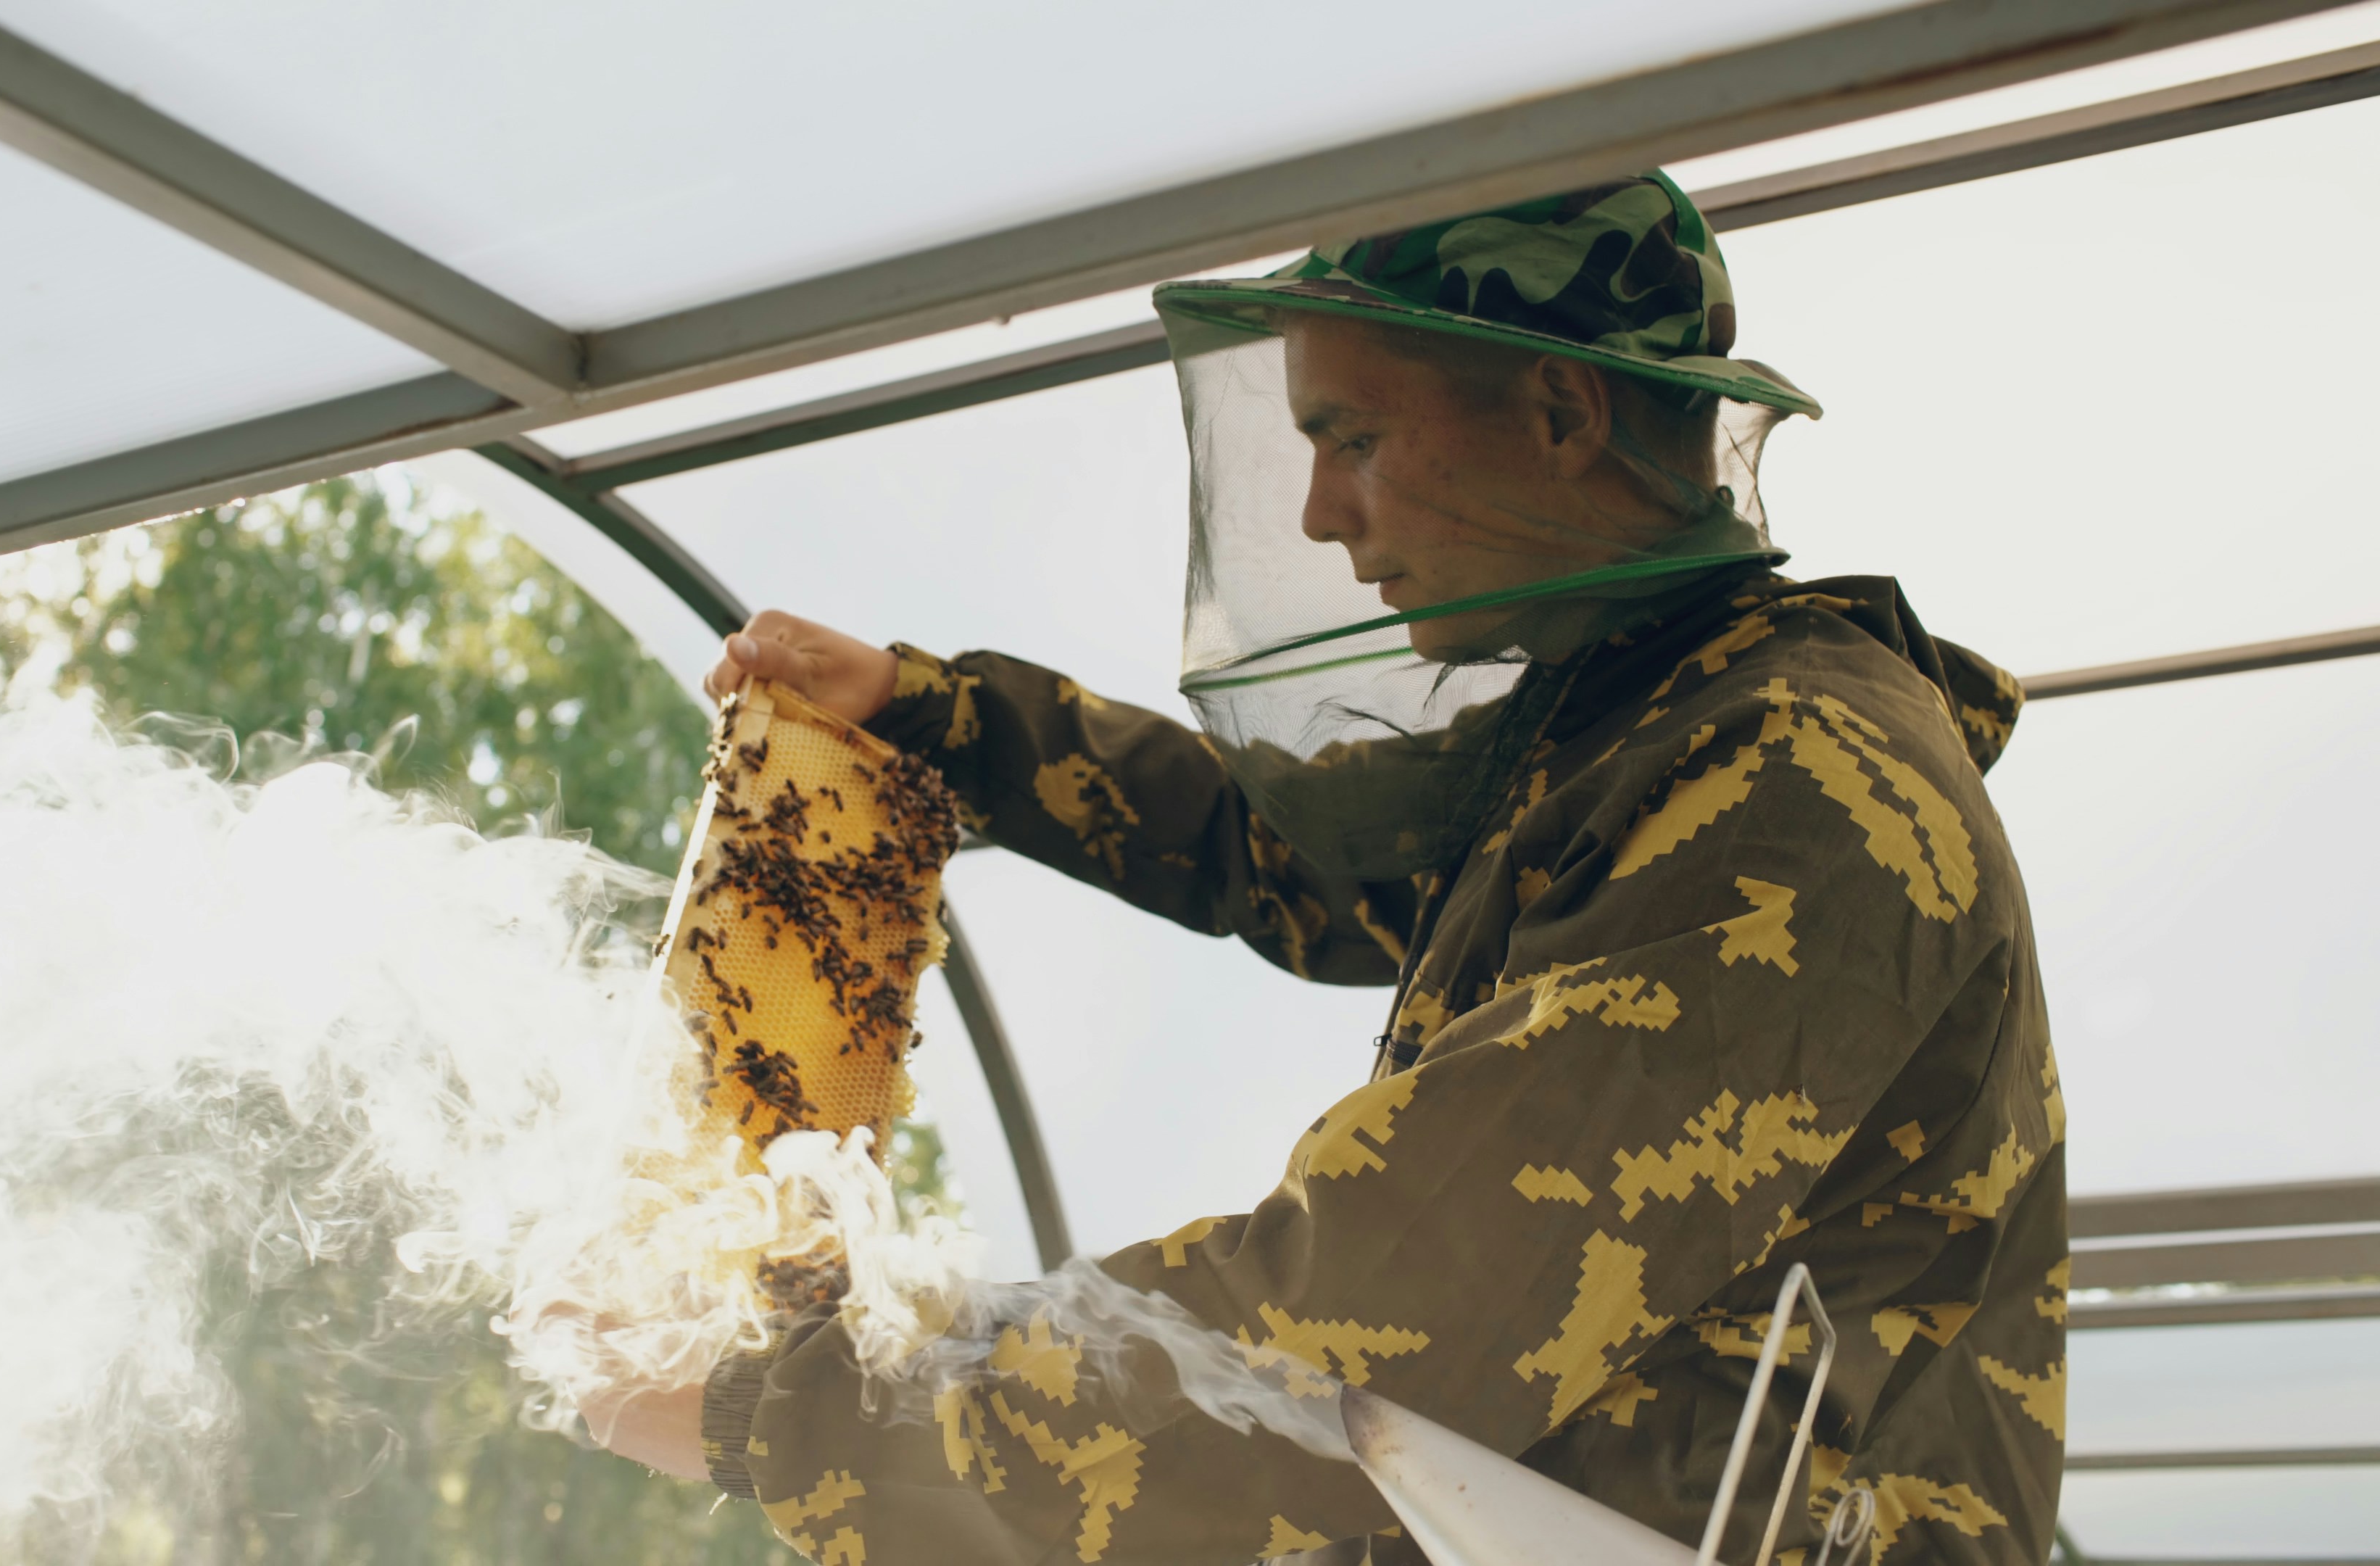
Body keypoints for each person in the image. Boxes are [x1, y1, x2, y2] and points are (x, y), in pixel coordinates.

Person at [594, 174, 2065, 1565]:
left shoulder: (1792, 786)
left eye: (1352, 436)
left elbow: (1376, 1321)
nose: (1315, 513)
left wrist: (791, 1412)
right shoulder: (1634, 733)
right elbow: (1291, 855)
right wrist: (942, 719)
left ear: (1559, 410)